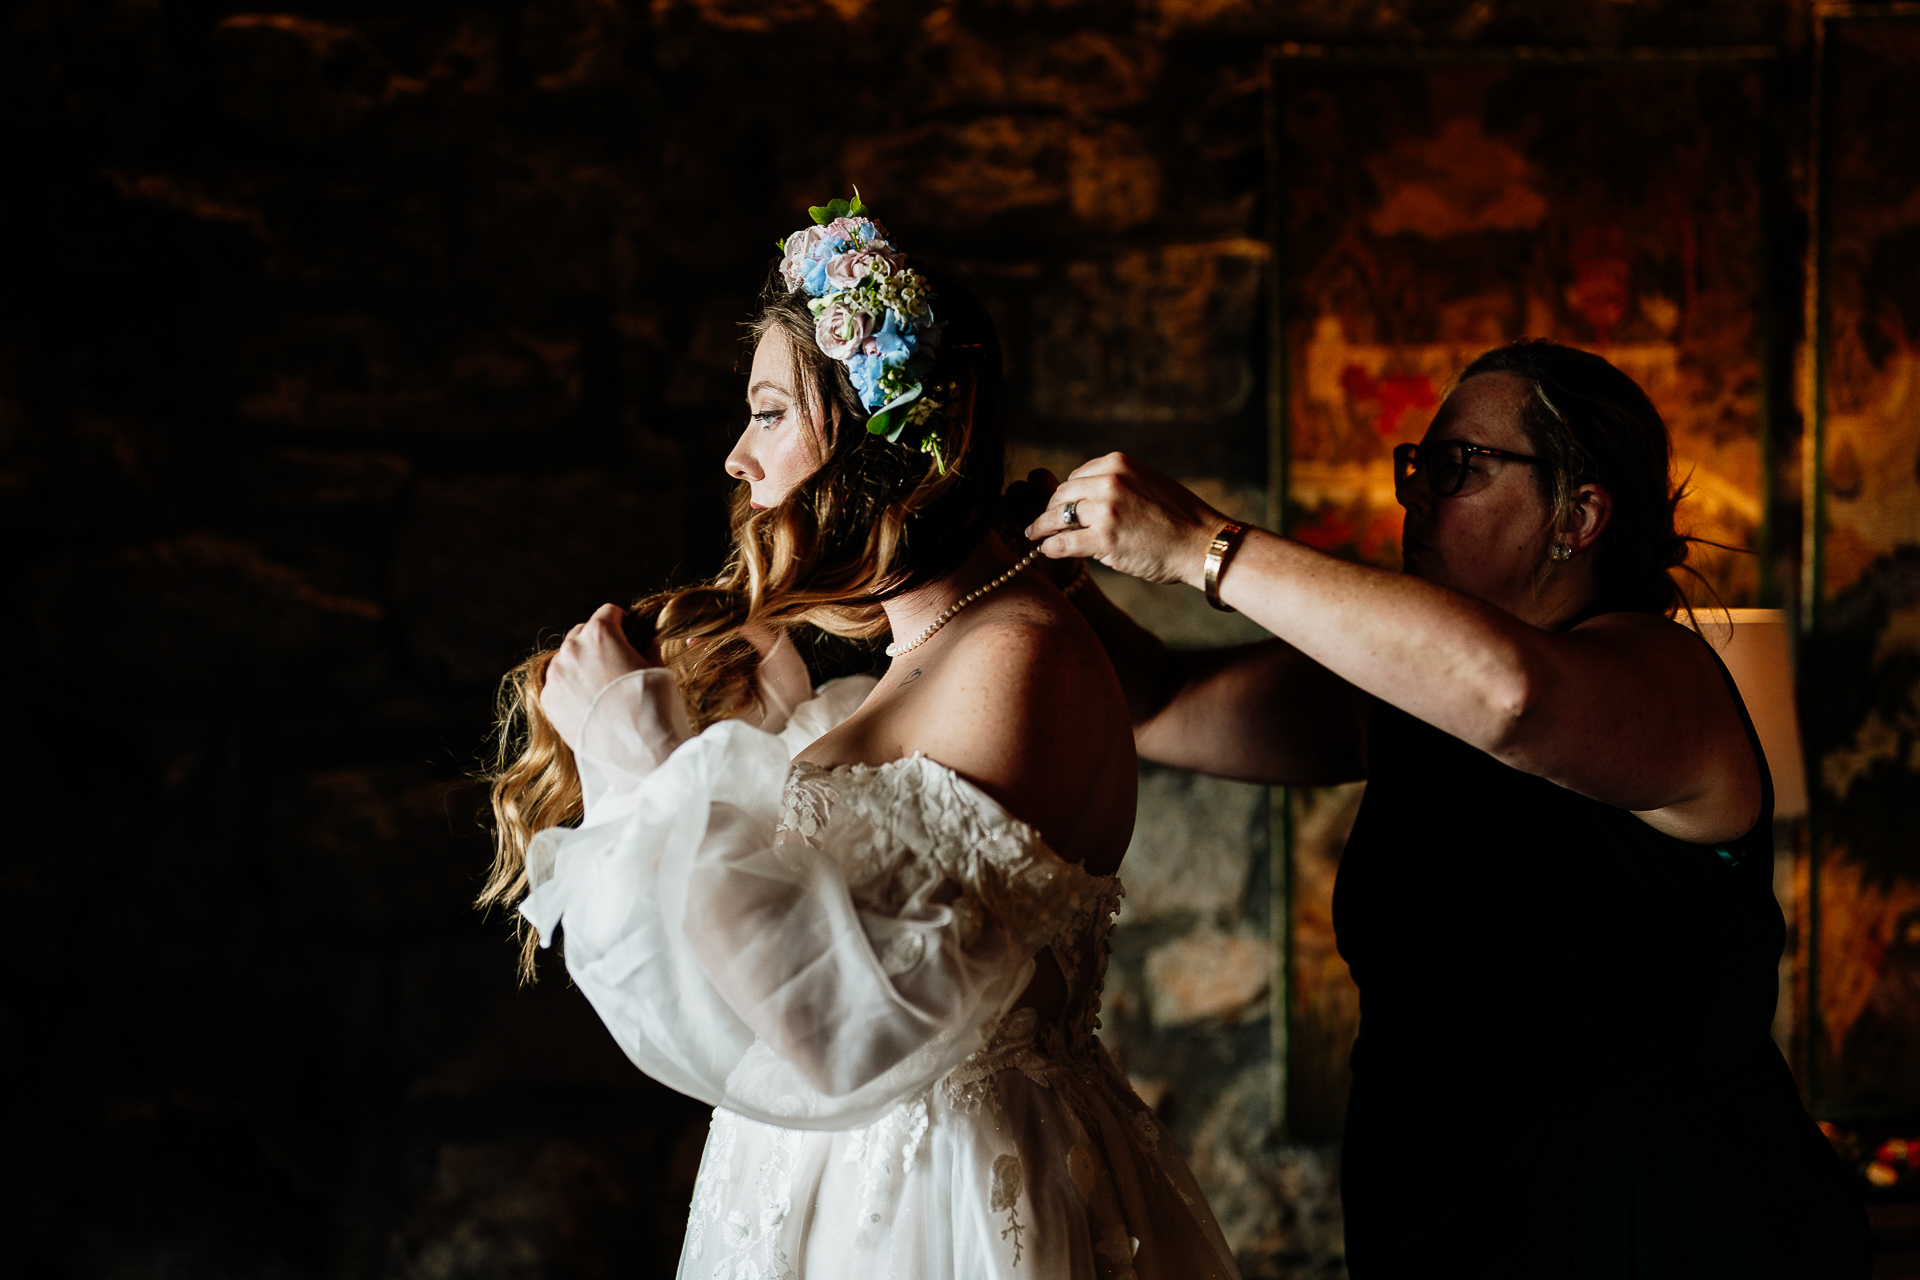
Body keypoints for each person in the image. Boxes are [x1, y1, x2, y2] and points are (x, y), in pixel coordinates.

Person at [480, 201, 1241, 1280]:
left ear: (879, 435)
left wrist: (645, 749)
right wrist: (756, 726)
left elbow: (844, 1028)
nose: (739, 458)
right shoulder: (929, 659)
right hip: (824, 1192)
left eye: (771, 412)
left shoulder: (1016, 657)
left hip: (940, 1205)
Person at [1019, 341, 1872, 1278]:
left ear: (1577, 515)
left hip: (1657, 1233)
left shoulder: (1663, 675)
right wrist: (1018, 562)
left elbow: (1513, 697)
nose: (1416, 493)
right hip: (1442, 1220)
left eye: (1458, 466)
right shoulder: (1407, 700)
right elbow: (1158, 706)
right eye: (1418, 466)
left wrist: (1200, 546)